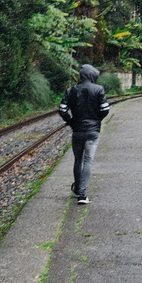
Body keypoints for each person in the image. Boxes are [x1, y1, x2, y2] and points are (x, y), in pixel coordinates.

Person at [58, 64, 111, 204]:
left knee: (78, 160)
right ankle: (82, 194)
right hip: (93, 132)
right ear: (92, 75)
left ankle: (77, 189)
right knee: (88, 160)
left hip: (77, 131)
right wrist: (97, 120)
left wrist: (71, 121)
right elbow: (105, 109)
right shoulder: (98, 89)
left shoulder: (72, 90)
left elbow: (62, 109)